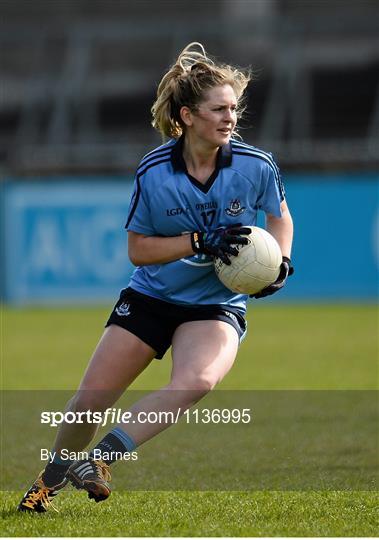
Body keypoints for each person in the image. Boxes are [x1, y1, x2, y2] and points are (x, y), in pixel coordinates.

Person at [18, 42, 294, 513]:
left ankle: (102, 458)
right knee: (90, 399)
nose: (230, 118)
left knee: (199, 379)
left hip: (214, 302)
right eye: (218, 109)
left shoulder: (255, 165)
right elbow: (138, 250)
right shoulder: (154, 171)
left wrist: (280, 262)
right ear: (187, 115)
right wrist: (198, 242)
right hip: (152, 296)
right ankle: (48, 481)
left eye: (233, 109)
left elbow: (280, 217)